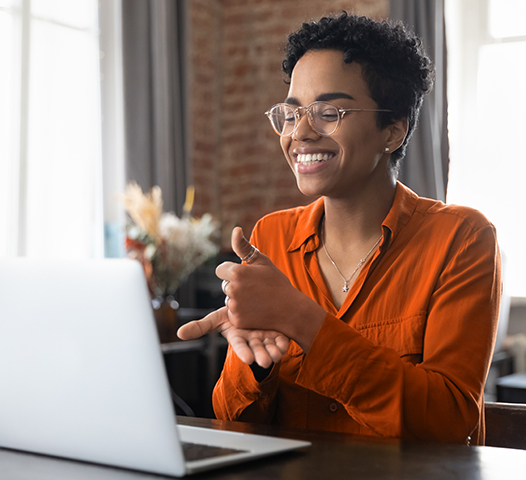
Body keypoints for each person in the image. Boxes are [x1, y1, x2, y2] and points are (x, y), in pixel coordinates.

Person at [178, 13, 500, 445]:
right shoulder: (270, 239)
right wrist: (254, 365)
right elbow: (232, 420)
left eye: (328, 112)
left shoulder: (461, 239)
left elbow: (447, 421)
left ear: (393, 129)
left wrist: (304, 321)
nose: (301, 133)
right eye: (291, 115)